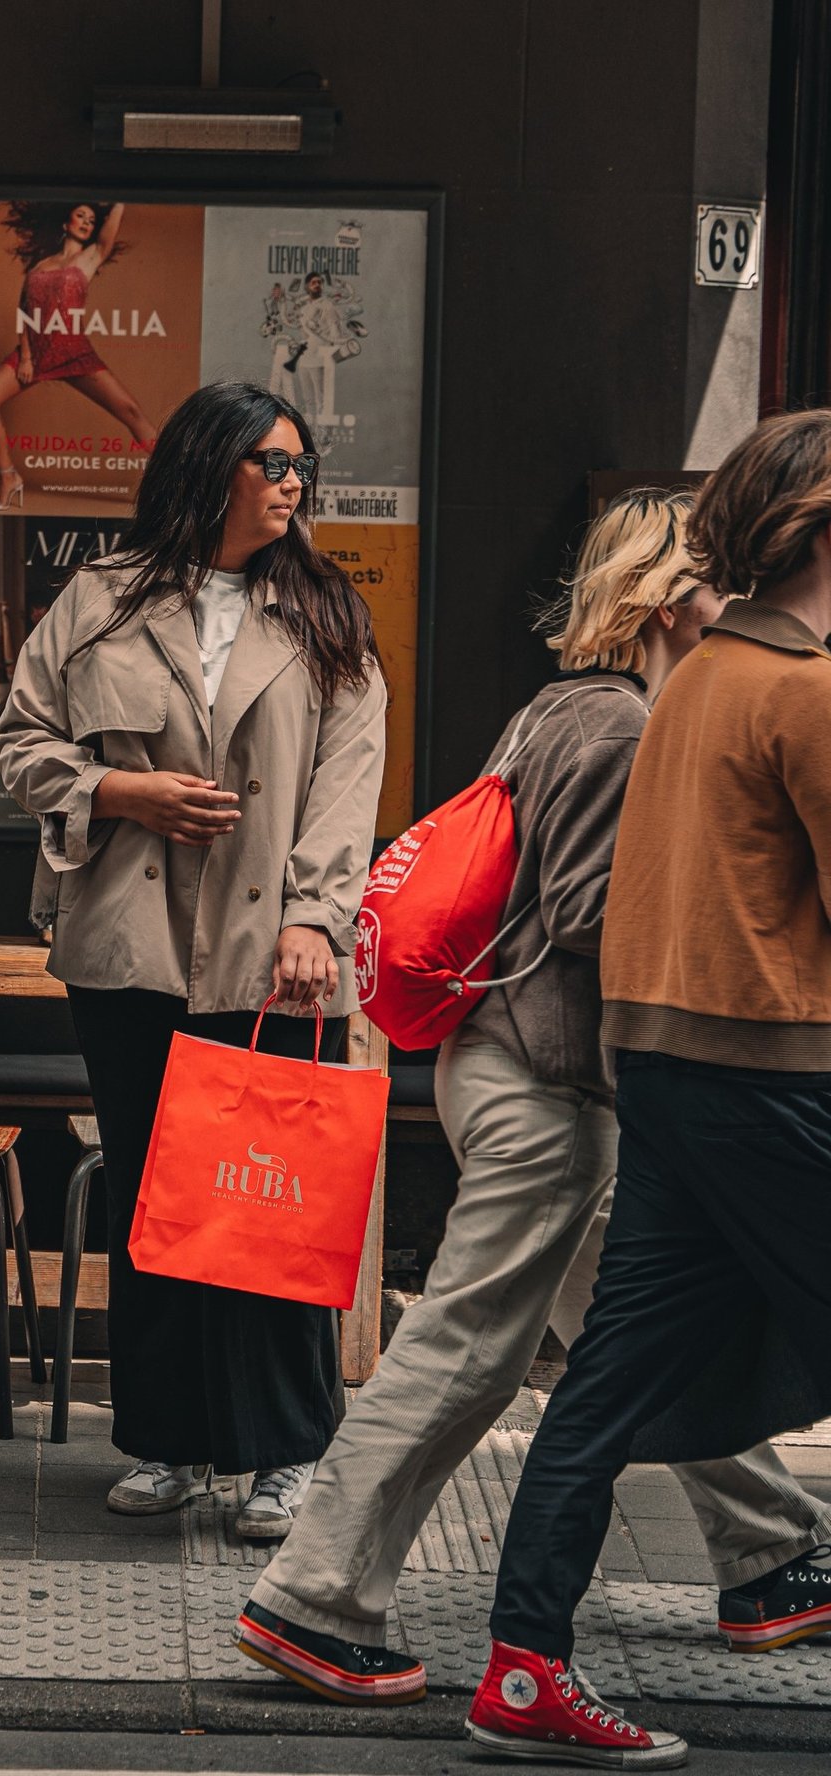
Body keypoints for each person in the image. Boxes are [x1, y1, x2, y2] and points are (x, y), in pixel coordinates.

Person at [235, 488, 831, 1709]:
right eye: (716, 586)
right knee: (469, 1346)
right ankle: (317, 1595)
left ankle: (771, 1552)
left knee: (642, 1330)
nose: (733, 607)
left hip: (525, 1069)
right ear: (671, 606)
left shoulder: (564, 708)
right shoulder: (618, 728)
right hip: (554, 1081)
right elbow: (597, 918)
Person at [465, 412, 831, 1769]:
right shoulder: (802, 691)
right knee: (615, 1381)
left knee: (603, 1387)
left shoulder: (690, 687)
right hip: (775, 1075)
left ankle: (521, 1672)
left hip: (665, 1072)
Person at [0, 378, 386, 1536]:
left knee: (270, 1206)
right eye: (272, 462)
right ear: (208, 467)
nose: (293, 483)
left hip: (277, 958)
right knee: (158, 1201)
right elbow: (22, 739)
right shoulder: (104, 601)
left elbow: (347, 785)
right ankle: (168, 1440)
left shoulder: (328, 616)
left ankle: (283, 1452)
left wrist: (317, 918)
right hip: (131, 949)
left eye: (301, 466)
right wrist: (120, 789)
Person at [0, 202, 160, 511]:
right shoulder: (39, 266)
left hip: (73, 351)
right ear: (65, 223)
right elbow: (25, 312)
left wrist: (119, 198)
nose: (87, 222)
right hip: (34, 353)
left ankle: (178, 481)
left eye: (91, 219)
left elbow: (108, 230)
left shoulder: (91, 257)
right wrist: (26, 357)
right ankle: (9, 478)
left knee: (130, 411)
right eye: (81, 216)